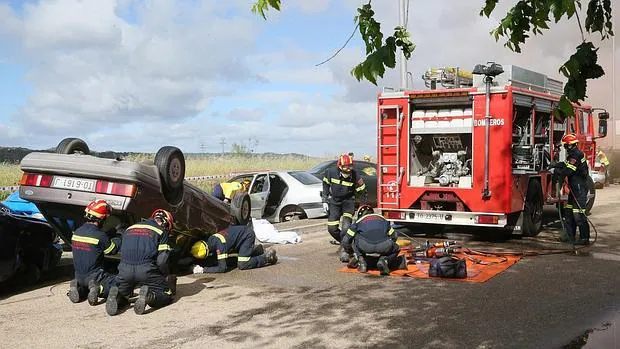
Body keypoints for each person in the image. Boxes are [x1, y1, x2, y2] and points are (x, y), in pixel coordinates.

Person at [106, 209, 176, 316]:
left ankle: (118, 297)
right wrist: (164, 276)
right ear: (166, 223)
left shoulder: (129, 229)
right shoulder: (161, 231)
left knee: (125, 294)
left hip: (124, 271)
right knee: (166, 294)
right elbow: (162, 261)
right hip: (146, 270)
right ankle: (150, 296)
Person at [67, 200, 121, 305]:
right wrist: (119, 237)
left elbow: (97, 240)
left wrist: (109, 233)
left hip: (78, 275)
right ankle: (99, 289)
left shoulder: (77, 232)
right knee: (120, 283)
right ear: (102, 218)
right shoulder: (100, 236)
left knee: (87, 287)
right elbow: (111, 250)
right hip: (95, 276)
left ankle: (78, 289)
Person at [322, 153, 367, 262]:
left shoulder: (355, 175)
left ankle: (345, 248)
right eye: (346, 167)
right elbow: (325, 184)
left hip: (348, 202)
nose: (348, 169)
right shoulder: (331, 172)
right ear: (340, 167)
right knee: (332, 229)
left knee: (346, 228)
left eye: (350, 166)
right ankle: (346, 244)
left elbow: (362, 189)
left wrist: (360, 203)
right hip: (335, 202)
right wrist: (325, 200)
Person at [341, 205, 407, 275]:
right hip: (384, 245)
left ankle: (362, 262)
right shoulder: (383, 219)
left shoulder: (358, 222)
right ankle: (384, 260)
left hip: (365, 246)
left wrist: (351, 253)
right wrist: (388, 247)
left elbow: (346, 240)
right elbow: (394, 236)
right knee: (396, 248)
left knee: (354, 238)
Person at [549, 133, 590, 244]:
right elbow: (566, 164)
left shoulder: (576, 154)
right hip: (574, 188)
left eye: (566, 146)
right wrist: (555, 165)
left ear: (570, 145)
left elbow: (569, 170)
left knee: (578, 215)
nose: (565, 148)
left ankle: (584, 238)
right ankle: (569, 236)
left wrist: (558, 173)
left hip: (579, 188)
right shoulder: (572, 155)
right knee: (569, 212)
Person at [190, 222, 277, 273]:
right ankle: (257, 251)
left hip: (247, 235)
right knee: (231, 260)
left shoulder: (220, 245)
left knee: (243, 264)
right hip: (240, 236)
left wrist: (202, 270)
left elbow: (222, 268)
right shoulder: (209, 239)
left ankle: (267, 258)